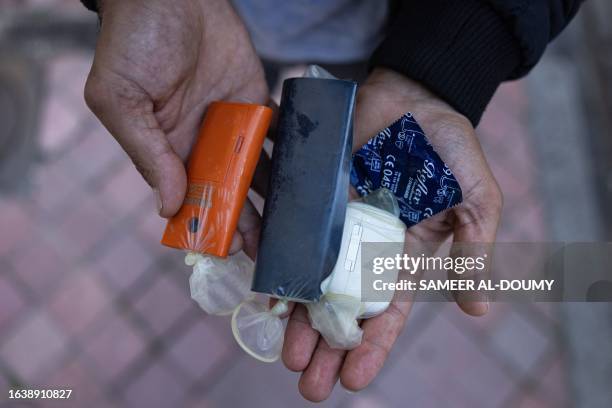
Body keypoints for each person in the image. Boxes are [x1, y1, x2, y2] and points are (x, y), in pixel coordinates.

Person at [81, 0, 584, 402]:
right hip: (208, 28)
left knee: (319, 102)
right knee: (260, 107)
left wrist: (450, 55)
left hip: (389, 26)